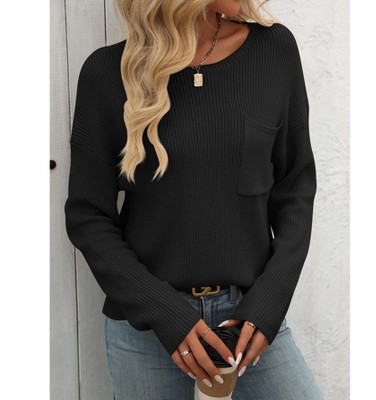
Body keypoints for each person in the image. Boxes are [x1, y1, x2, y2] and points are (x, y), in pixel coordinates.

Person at [64, 0, 324, 399]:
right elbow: (88, 216)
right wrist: (165, 315)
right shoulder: (108, 73)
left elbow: (295, 188)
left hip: (248, 323)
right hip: (148, 330)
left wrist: (269, 303)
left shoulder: (274, 51)